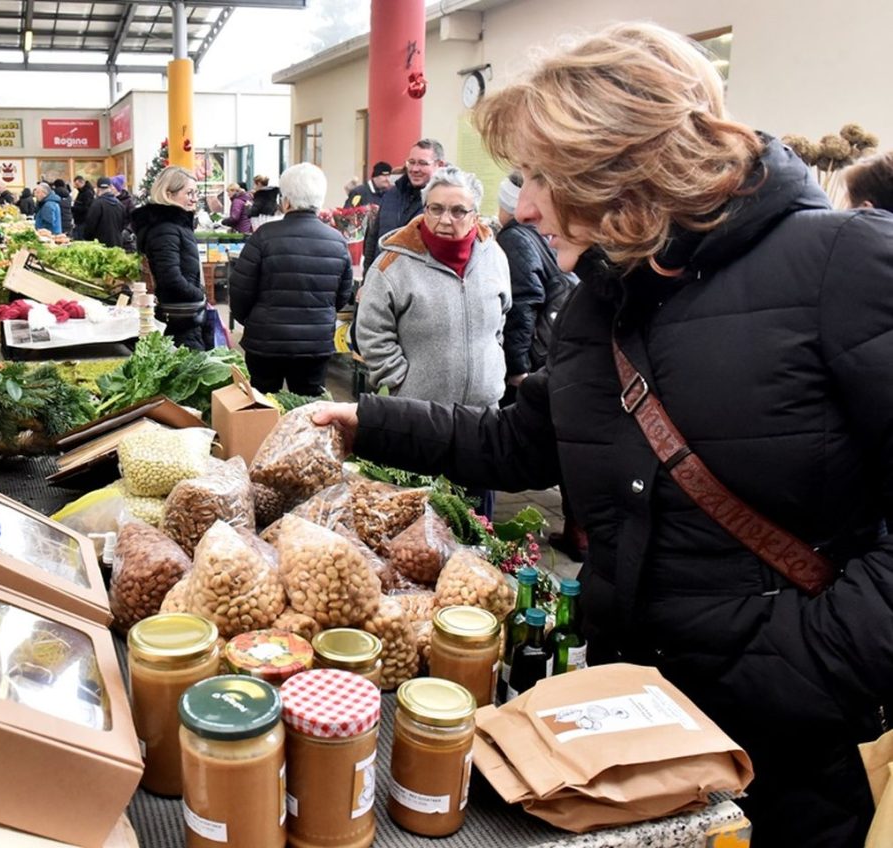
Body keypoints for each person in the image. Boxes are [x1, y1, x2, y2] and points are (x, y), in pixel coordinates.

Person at [313, 22, 893, 847]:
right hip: (636, 719)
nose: (525, 206)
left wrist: (812, 665)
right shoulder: (603, 301)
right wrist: (368, 420)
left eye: (543, 176)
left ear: (624, 163)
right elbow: (522, 442)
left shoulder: (845, 265)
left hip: (796, 751)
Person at [355, 165, 508, 517]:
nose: (445, 219)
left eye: (457, 211)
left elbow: (501, 319)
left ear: (474, 215)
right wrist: (400, 380)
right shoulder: (393, 264)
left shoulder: (494, 257)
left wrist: (492, 366)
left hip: (482, 419)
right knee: (422, 522)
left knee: (477, 521)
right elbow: (372, 333)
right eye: (436, 209)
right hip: (421, 419)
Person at [228, 163, 352, 395]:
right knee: (309, 407)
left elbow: (240, 289)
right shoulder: (337, 241)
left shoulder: (263, 236)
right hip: (315, 342)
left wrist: (251, 321)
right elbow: (342, 296)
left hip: (265, 340)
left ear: (285, 202)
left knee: (263, 402)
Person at [496, 171, 578, 403]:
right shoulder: (543, 235)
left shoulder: (513, 238)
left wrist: (517, 367)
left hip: (533, 358)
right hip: (551, 352)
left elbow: (522, 304)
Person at [131, 166, 212, 350]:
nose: (194, 198)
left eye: (196, 193)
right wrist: (198, 295)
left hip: (186, 316)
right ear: (169, 194)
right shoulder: (165, 229)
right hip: (180, 319)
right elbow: (170, 277)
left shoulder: (176, 225)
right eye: (189, 193)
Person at [362, 139, 445, 270]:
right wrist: (368, 276)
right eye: (411, 162)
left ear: (439, 165)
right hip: (382, 276)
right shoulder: (391, 195)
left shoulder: (445, 202)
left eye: (422, 163)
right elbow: (372, 240)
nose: (415, 169)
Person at [80, 177, 128, 248]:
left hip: (100, 246)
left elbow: (90, 226)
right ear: (110, 187)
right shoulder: (120, 205)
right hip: (117, 244)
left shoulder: (96, 204)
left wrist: (87, 239)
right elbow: (123, 224)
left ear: (98, 188)